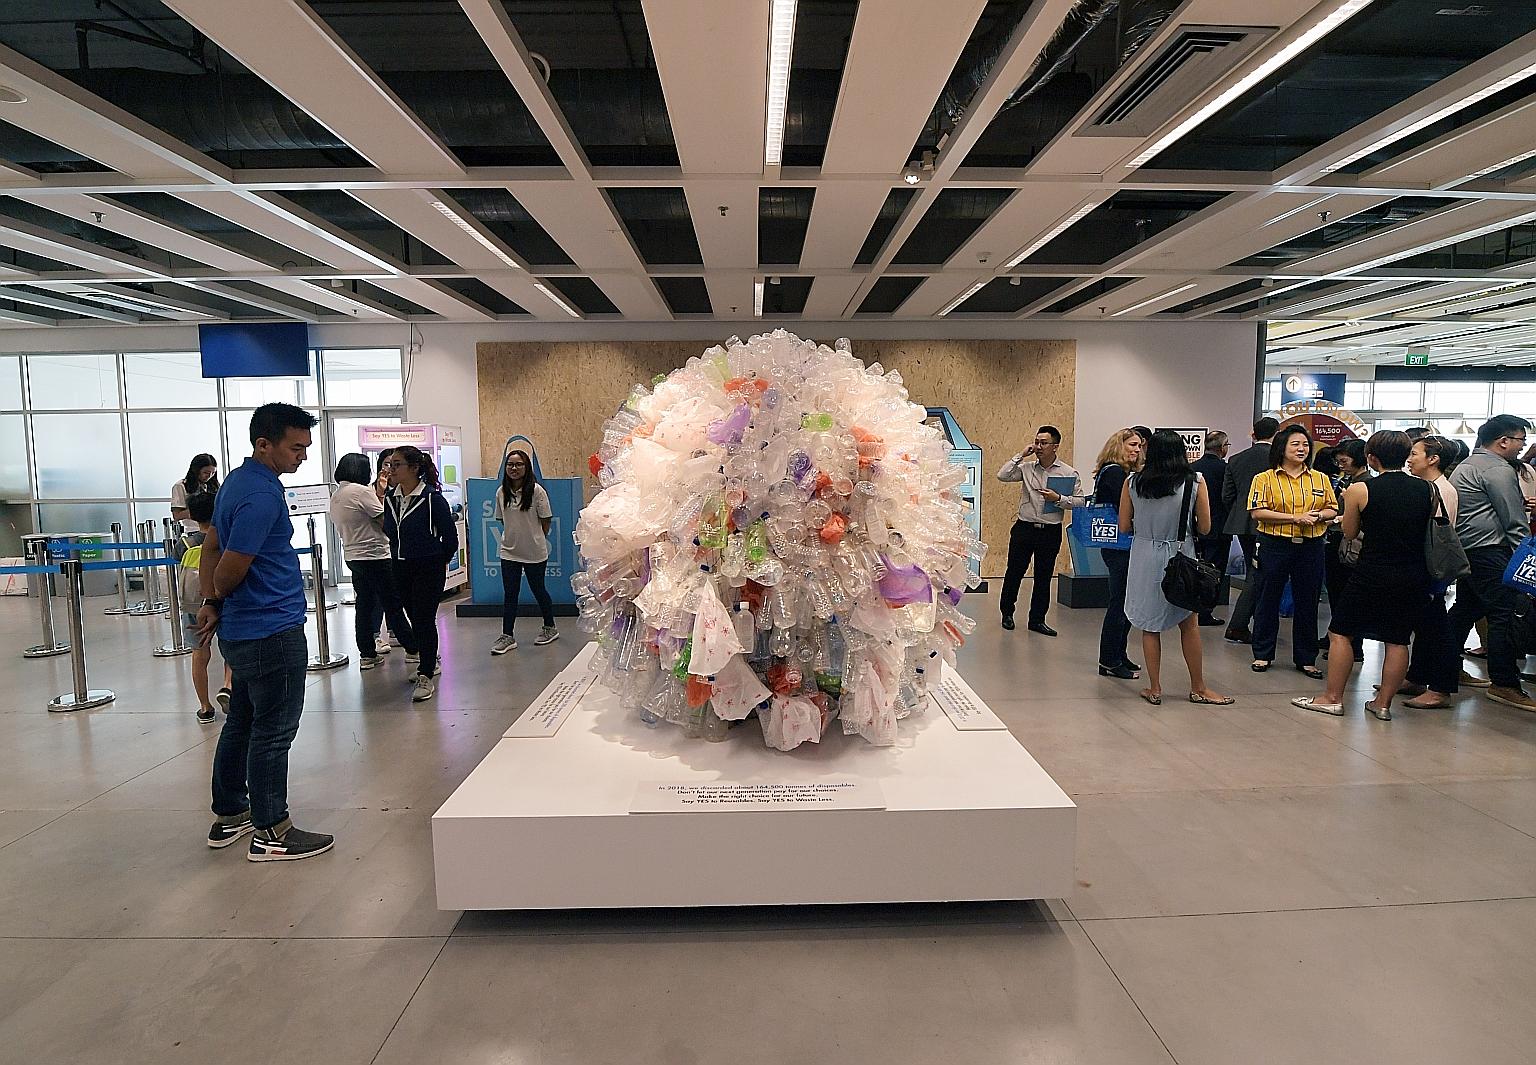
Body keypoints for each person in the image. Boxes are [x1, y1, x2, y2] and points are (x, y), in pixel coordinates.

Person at [196, 402, 333, 862]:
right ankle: (272, 830)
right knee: (273, 732)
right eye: (296, 448)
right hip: (270, 630)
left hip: (244, 630)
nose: (303, 456)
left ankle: (231, 812)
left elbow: (211, 545)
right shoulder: (261, 495)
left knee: (242, 721)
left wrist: (212, 602)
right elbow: (229, 566)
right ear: (263, 444)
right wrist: (219, 592)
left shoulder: (237, 482)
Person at [1292, 431, 1434, 720]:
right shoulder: (1427, 489)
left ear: (1371, 457)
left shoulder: (1361, 489)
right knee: (1397, 639)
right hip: (1412, 572)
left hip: (1371, 571)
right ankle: (1382, 704)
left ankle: (1332, 698)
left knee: (1340, 632)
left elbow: (1349, 532)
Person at [1121, 430, 1232, 706]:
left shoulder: (1132, 482)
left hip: (1144, 556)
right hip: (1180, 555)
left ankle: (1154, 688)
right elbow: (1205, 527)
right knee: (1189, 624)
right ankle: (1198, 687)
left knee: (1149, 626)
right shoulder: (1195, 481)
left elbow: (1123, 526)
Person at [1446, 414, 1536, 712]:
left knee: (1465, 610)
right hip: (1490, 551)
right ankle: (1504, 683)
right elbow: (1514, 520)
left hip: (1468, 550)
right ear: (1504, 441)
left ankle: (1444, 667)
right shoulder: (1497, 469)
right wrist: (1526, 556)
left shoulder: (1468, 464)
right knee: (1503, 614)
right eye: (1521, 440)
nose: (1522, 447)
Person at [1247, 423, 1339, 677]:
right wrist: (1295, 518)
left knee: (1308, 602)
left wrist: (1320, 515)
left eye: (1305, 445)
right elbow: (1257, 512)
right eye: (1295, 444)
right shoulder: (1264, 478)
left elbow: (1332, 508)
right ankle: (1263, 654)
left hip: (1311, 546)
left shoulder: (1320, 478)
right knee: (1267, 599)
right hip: (1274, 544)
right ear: (1281, 448)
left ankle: (1306, 658)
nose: (1302, 449)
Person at [383, 444, 460, 703]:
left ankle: (425, 672)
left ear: (414, 468)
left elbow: (450, 538)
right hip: (400, 566)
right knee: (414, 617)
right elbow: (389, 530)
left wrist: (437, 560)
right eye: (389, 465)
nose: (391, 470)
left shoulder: (431, 499)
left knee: (424, 619)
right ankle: (430, 658)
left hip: (428, 567)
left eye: (397, 465)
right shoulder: (391, 498)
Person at [330, 452, 415, 672]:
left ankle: (367, 654)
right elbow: (384, 520)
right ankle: (414, 648)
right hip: (375, 555)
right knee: (392, 604)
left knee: (364, 606)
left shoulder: (337, 495)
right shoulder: (360, 492)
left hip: (353, 556)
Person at [996, 425, 1081, 636]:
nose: (1039, 447)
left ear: (1055, 446)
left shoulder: (1068, 473)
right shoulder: (1026, 468)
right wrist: (1020, 455)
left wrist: (1058, 499)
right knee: (1014, 572)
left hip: (1050, 531)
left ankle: (1037, 620)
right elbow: (1002, 475)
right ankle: (1007, 614)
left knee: (1043, 577)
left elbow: (1080, 501)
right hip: (1024, 528)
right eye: (1037, 442)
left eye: (1044, 443)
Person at [1399, 435, 1461, 709]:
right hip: (1422, 565)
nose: (1409, 459)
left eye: (1415, 453)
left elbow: (1434, 534)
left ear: (1433, 459)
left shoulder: (1441, 490)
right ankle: (1416, 677)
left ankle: (1441, 688)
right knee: (1424, 625)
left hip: (1431, 566)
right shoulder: (1426, 486)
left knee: (1436, 627)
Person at [492, 449, 559, 654]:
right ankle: (507, 635)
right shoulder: (501, 492)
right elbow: (502, 520)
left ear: (526, 467)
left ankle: (550, 627)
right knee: (510, 594)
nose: (514, 468)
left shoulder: (537, 491)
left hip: (534, 552)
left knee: (538, 589)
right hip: (509, 552)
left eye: (518, 464)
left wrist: (534, 538)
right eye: (510, 464)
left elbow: (545, 520)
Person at [1090, 429, 1144, 679]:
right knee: (1120, 602)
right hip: (1119, 545)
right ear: (1118, 446)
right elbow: (1127, 507)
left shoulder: (1115, 472)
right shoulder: (1115, 474)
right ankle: (1110, 659)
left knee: (1124, 601)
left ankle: (1118, 654)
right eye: (1132, 445)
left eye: (1139, 446)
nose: (1137, 450)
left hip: (1117, 544)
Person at [1220, 417, 1279, 644]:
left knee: (1254, 571)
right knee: (1260, 574)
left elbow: (1227, 496)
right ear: (1277, 433)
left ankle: (1247, 622)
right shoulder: (1278, 459)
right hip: (1271, 523)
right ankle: (1239, 624)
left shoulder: (1236, 459)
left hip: (1241, 523)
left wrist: (1239, 514)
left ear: (1254, 434)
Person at [179, 491, 231, 724]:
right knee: (232, 647)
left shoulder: (184, 544)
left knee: (199, 653)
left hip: (192, 603)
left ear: (191, 515)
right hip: (223, 598)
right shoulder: (224, 538)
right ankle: (228, 686)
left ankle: (204, 706)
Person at [1321, 437, 1369, 663]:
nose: (1341, 465)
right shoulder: (1347, 481)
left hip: (1350, 545)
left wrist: (1336, 518)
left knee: (1347, 597)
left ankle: (1352, 645)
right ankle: (1335, 636)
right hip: (1338, 544)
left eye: (1344, 461)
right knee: (1336, 594)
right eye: (1338, 461)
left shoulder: (1364, 485)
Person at [1191, 430, 1231, 626]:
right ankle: (1206, 612)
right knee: (1214, 573)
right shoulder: (1226, 469)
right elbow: (1228, 497)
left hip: (1194, 528)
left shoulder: (1192, 468)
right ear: (1222, 448)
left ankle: (1192, 609)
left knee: (1194, 569)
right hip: (1220, 528)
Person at [171, 453, 219, 534]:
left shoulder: (214, 486)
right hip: (193, 530)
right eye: (206, 472)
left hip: (214, 529)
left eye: (213, 473)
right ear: (196, 470)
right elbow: (177, 515)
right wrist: (200, 510)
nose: (209, 476)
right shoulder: (181, 486)